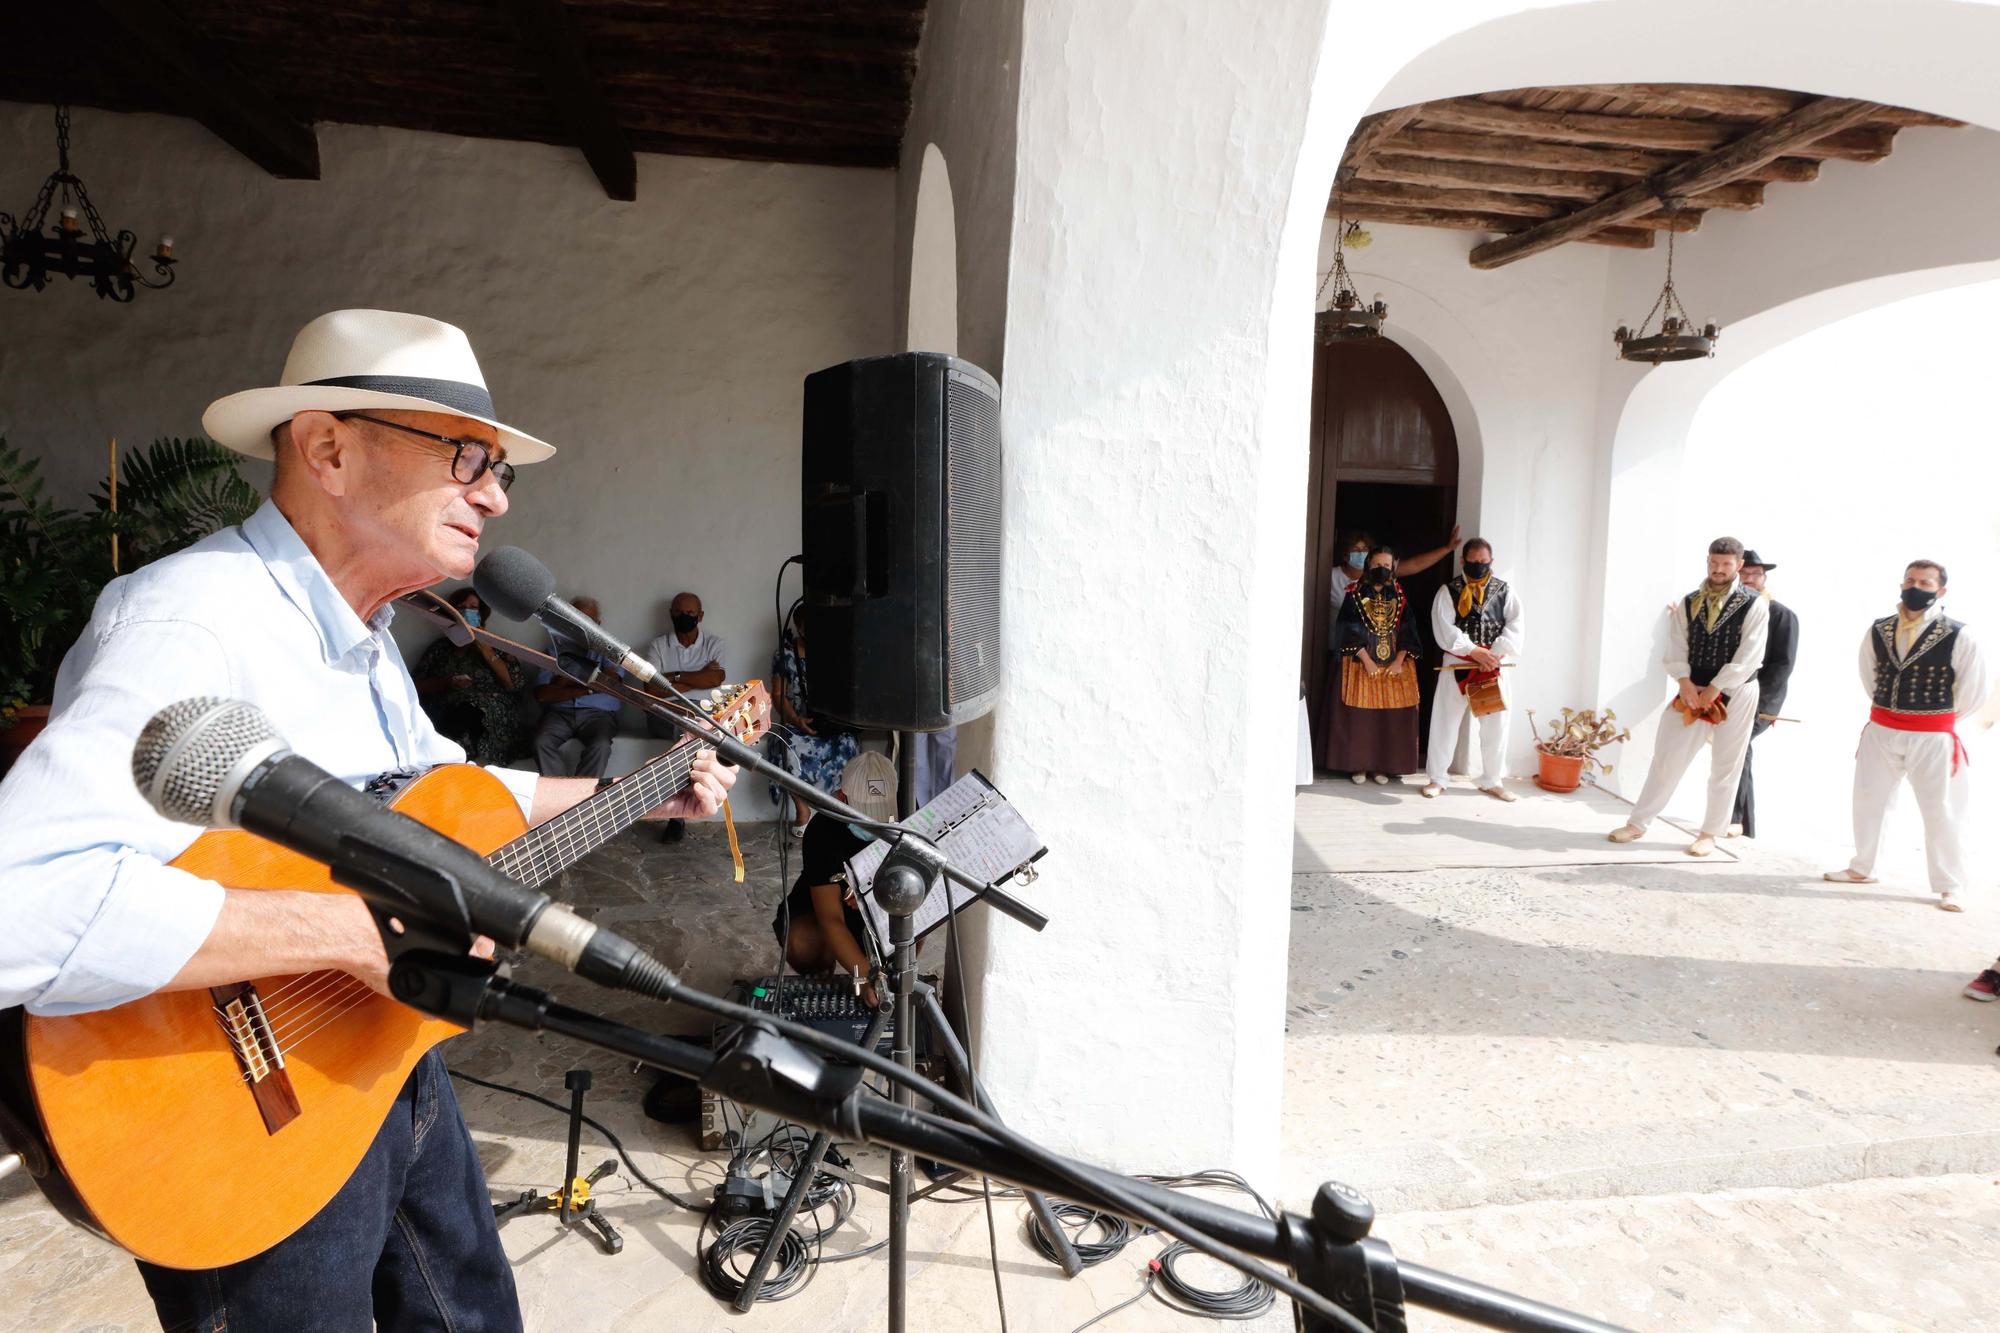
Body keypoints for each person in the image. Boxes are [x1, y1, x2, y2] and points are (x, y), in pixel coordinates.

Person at [0, 309, 734, 1331]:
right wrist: (348, 931)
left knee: (473, 1311)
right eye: (464, 456)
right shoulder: (191, 621)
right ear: (329, 449)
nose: (492, 493)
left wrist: (649, 784)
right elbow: (19, 906)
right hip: (231, 1117)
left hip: (375, 1064)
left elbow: (449, 791)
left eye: (501, 470)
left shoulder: (365, 635)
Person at [1824, 560, 1988, 910]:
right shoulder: (1879, 629)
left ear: (1940, 591)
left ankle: (1950, 885)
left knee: (1942, 808)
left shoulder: (1960, 634)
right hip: (1882, 728)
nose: (1916, 587)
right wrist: (1890, 711)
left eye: (1925, 582)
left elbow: (1973, 691)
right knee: (1870, 799)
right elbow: (1869, 676)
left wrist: (1934, 718)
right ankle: (1864, 867)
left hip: (1932, 734)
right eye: (1911, 580)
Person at [1610, 537, 1769, 857]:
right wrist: (1683, 681)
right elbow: (1677, 645)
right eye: (1714, 562)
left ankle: (1709, 833)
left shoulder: (1754, 604)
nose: (1718, 569)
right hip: (1692, 689)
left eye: (1726, 564)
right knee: (1668, 756)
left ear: (1738, 565)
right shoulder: (1690, 601)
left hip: (1737, 692)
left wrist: (1716, 688)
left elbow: (1750, 653)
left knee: (1726, 764)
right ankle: (1638, 823)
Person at [771, 750, 900, 1006]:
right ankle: (830, 973)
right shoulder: (823, 831)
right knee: (803, 943)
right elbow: (829, 917)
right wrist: (867, 976)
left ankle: (896, 972)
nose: (874, 823)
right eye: (864, 813)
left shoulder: (908, 813)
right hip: (836, 905)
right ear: (842, 799)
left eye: (881, 812)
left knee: (916, 905)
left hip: (884, 905)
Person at [1423, 537, 1522, 802]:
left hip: (1491, 667)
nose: (1478, 565)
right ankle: (1437, 778)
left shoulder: (1505, 591)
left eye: (1483, 562)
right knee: (1445, 721)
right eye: (1473, 561)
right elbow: (1444, 628)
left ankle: (1492, 779)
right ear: (1462, 561)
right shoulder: (1449, 591)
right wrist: (1473, 651)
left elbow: (1515, 626)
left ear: (1491, 561)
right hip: (1457, 665)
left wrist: (1492, 654)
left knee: (1495, 725)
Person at [1323, 546, 1421, 784]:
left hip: (1393, 666)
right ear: (1368, 566)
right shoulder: (1354, 595)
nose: (1382, 570)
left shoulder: (1399, 597)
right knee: (1360, 717)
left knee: (1387, 717)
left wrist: (1399, 660)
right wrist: (1365, 659)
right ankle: (1358, 766)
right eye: (1377, 565)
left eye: (1387, 566)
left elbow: (1409, 631)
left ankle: (1381, 767)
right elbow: (1346, 629)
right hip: (1359, 663)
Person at [1728, 550, 1798, 839]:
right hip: (1727, 697)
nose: (1750, 579)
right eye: (1744, 574)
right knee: (1733, 752)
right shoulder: (1729, 611)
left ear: (1764, 578)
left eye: (1755, 574)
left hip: (1760, 703)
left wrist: (1762, 708)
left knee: (1738, 747)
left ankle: (1738, 820)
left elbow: (1782, 667)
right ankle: (1740, 824)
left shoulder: (1781, 615)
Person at [413, 585, 526, 764]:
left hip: (489, 713)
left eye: (473, 608)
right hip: (447, 709)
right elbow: (415, 686)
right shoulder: (440, 648)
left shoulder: (497, 645)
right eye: (461, 607)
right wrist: (447, 682)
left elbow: (514, 684)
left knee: (468, 714)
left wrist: (486, 650)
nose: (467, 611)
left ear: (481, 614)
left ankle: (458, 760)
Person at [768, 615, 860, 835]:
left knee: (848, 743)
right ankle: (803, 811)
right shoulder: (785, 654)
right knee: (781, 741)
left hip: (833, 724)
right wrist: (795, 719)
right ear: (798, 627)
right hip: (798, 721)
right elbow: (779, 695)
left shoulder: (836, 652)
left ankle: (838, 811)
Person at [531, 594, 621, 779]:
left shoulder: (609, 650)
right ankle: (563, 796)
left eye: (588, 620)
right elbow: (543, 694)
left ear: (598, 623)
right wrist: (586, 684)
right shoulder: (552, 651)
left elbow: (611, 684)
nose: (582, 626)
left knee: (601, 746)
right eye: (577, 618)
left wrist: (563, 679)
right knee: (541, 742)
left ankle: (582, 799)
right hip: (559, 714)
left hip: (598, 714)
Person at [1330, 524, 1460, 612]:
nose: (1361, 554)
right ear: (1345, 555)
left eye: (1365, 549)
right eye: (1356, 550)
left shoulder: (1381, 571)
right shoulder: (1331, 576)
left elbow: (1415, 564)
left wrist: (1447, 549)